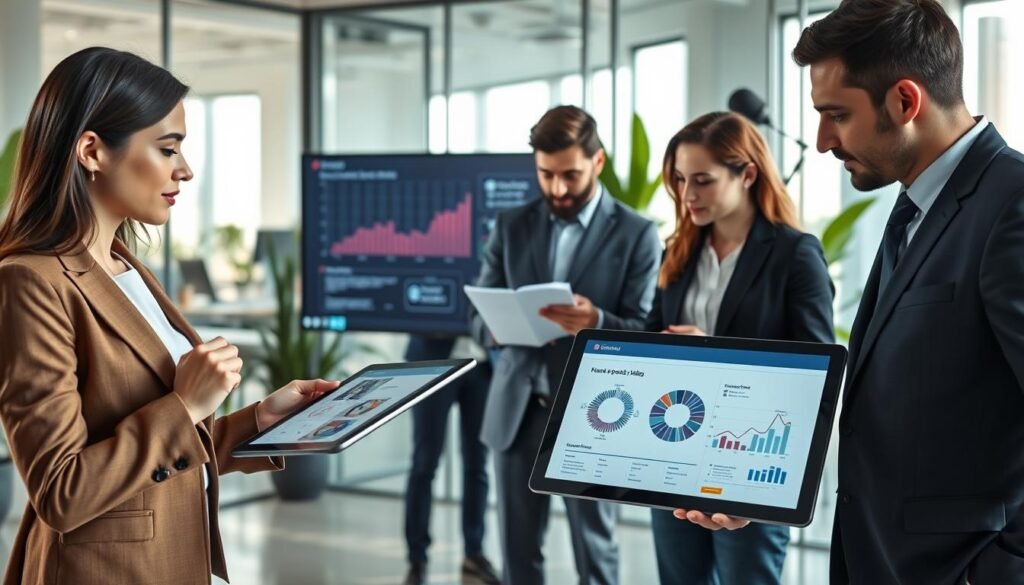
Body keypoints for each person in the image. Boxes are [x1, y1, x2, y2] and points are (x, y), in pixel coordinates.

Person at [0, 47, 336, 585]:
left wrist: (258, 424)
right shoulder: (31, 281)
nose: (185, 169)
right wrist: (185, 404)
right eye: (166, 148)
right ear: (92, 150)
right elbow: (61, 491)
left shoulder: (126, 267)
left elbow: (162, 455)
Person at [790, 1, 1024, 582]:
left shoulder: (1013, 205)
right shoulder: (915, 207)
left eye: (835, 115)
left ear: (904, 101)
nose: (822, 141)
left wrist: (1003, 568)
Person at [469, 105, 661, 585]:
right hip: (518, 410)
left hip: (595, 417)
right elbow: (475, 318)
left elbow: (644, 329)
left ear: (597, 163)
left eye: (570, 175)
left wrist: (595, 320)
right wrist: (495, 324)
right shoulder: (511, 225)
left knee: (595, 555)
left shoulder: (637, 232)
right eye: (546, 174)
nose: (557, 189)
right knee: (518, 557)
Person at [648, 111, 834, 585]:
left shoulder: (796, 254)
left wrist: (709, 352)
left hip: (751, 457)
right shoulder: (679, 252)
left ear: (747, 174)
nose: (687, 195)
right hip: (676, 452)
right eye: (680, 180)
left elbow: (814, 372)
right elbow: (650, 340)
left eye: (703, 181)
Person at [401, 334, 499, 585]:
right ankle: (417, 559)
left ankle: (474, 553)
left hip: (483, 365)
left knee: (478, 465)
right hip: (433, 360)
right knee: (424, 464)